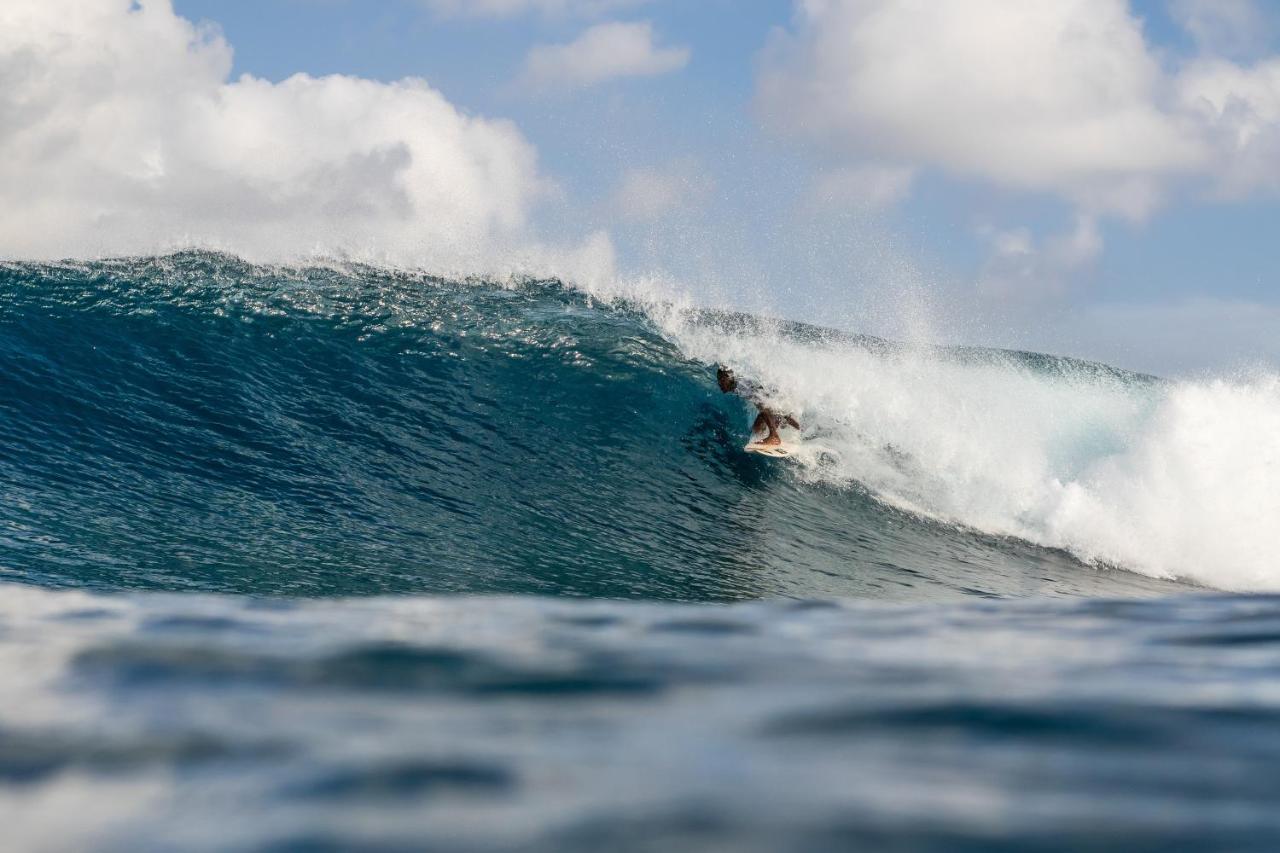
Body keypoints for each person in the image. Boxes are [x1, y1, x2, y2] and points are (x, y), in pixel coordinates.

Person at [717, 366, 800, 446]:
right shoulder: (738, 384)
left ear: (728, 377)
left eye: (721, 380)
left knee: (766, 411)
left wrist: (772, 429)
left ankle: (773, 436)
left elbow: (763, 406)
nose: (719, 383)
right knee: (759, 426)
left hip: (778, 393)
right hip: (778, 392)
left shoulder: (742, 386)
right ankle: (800, 430)